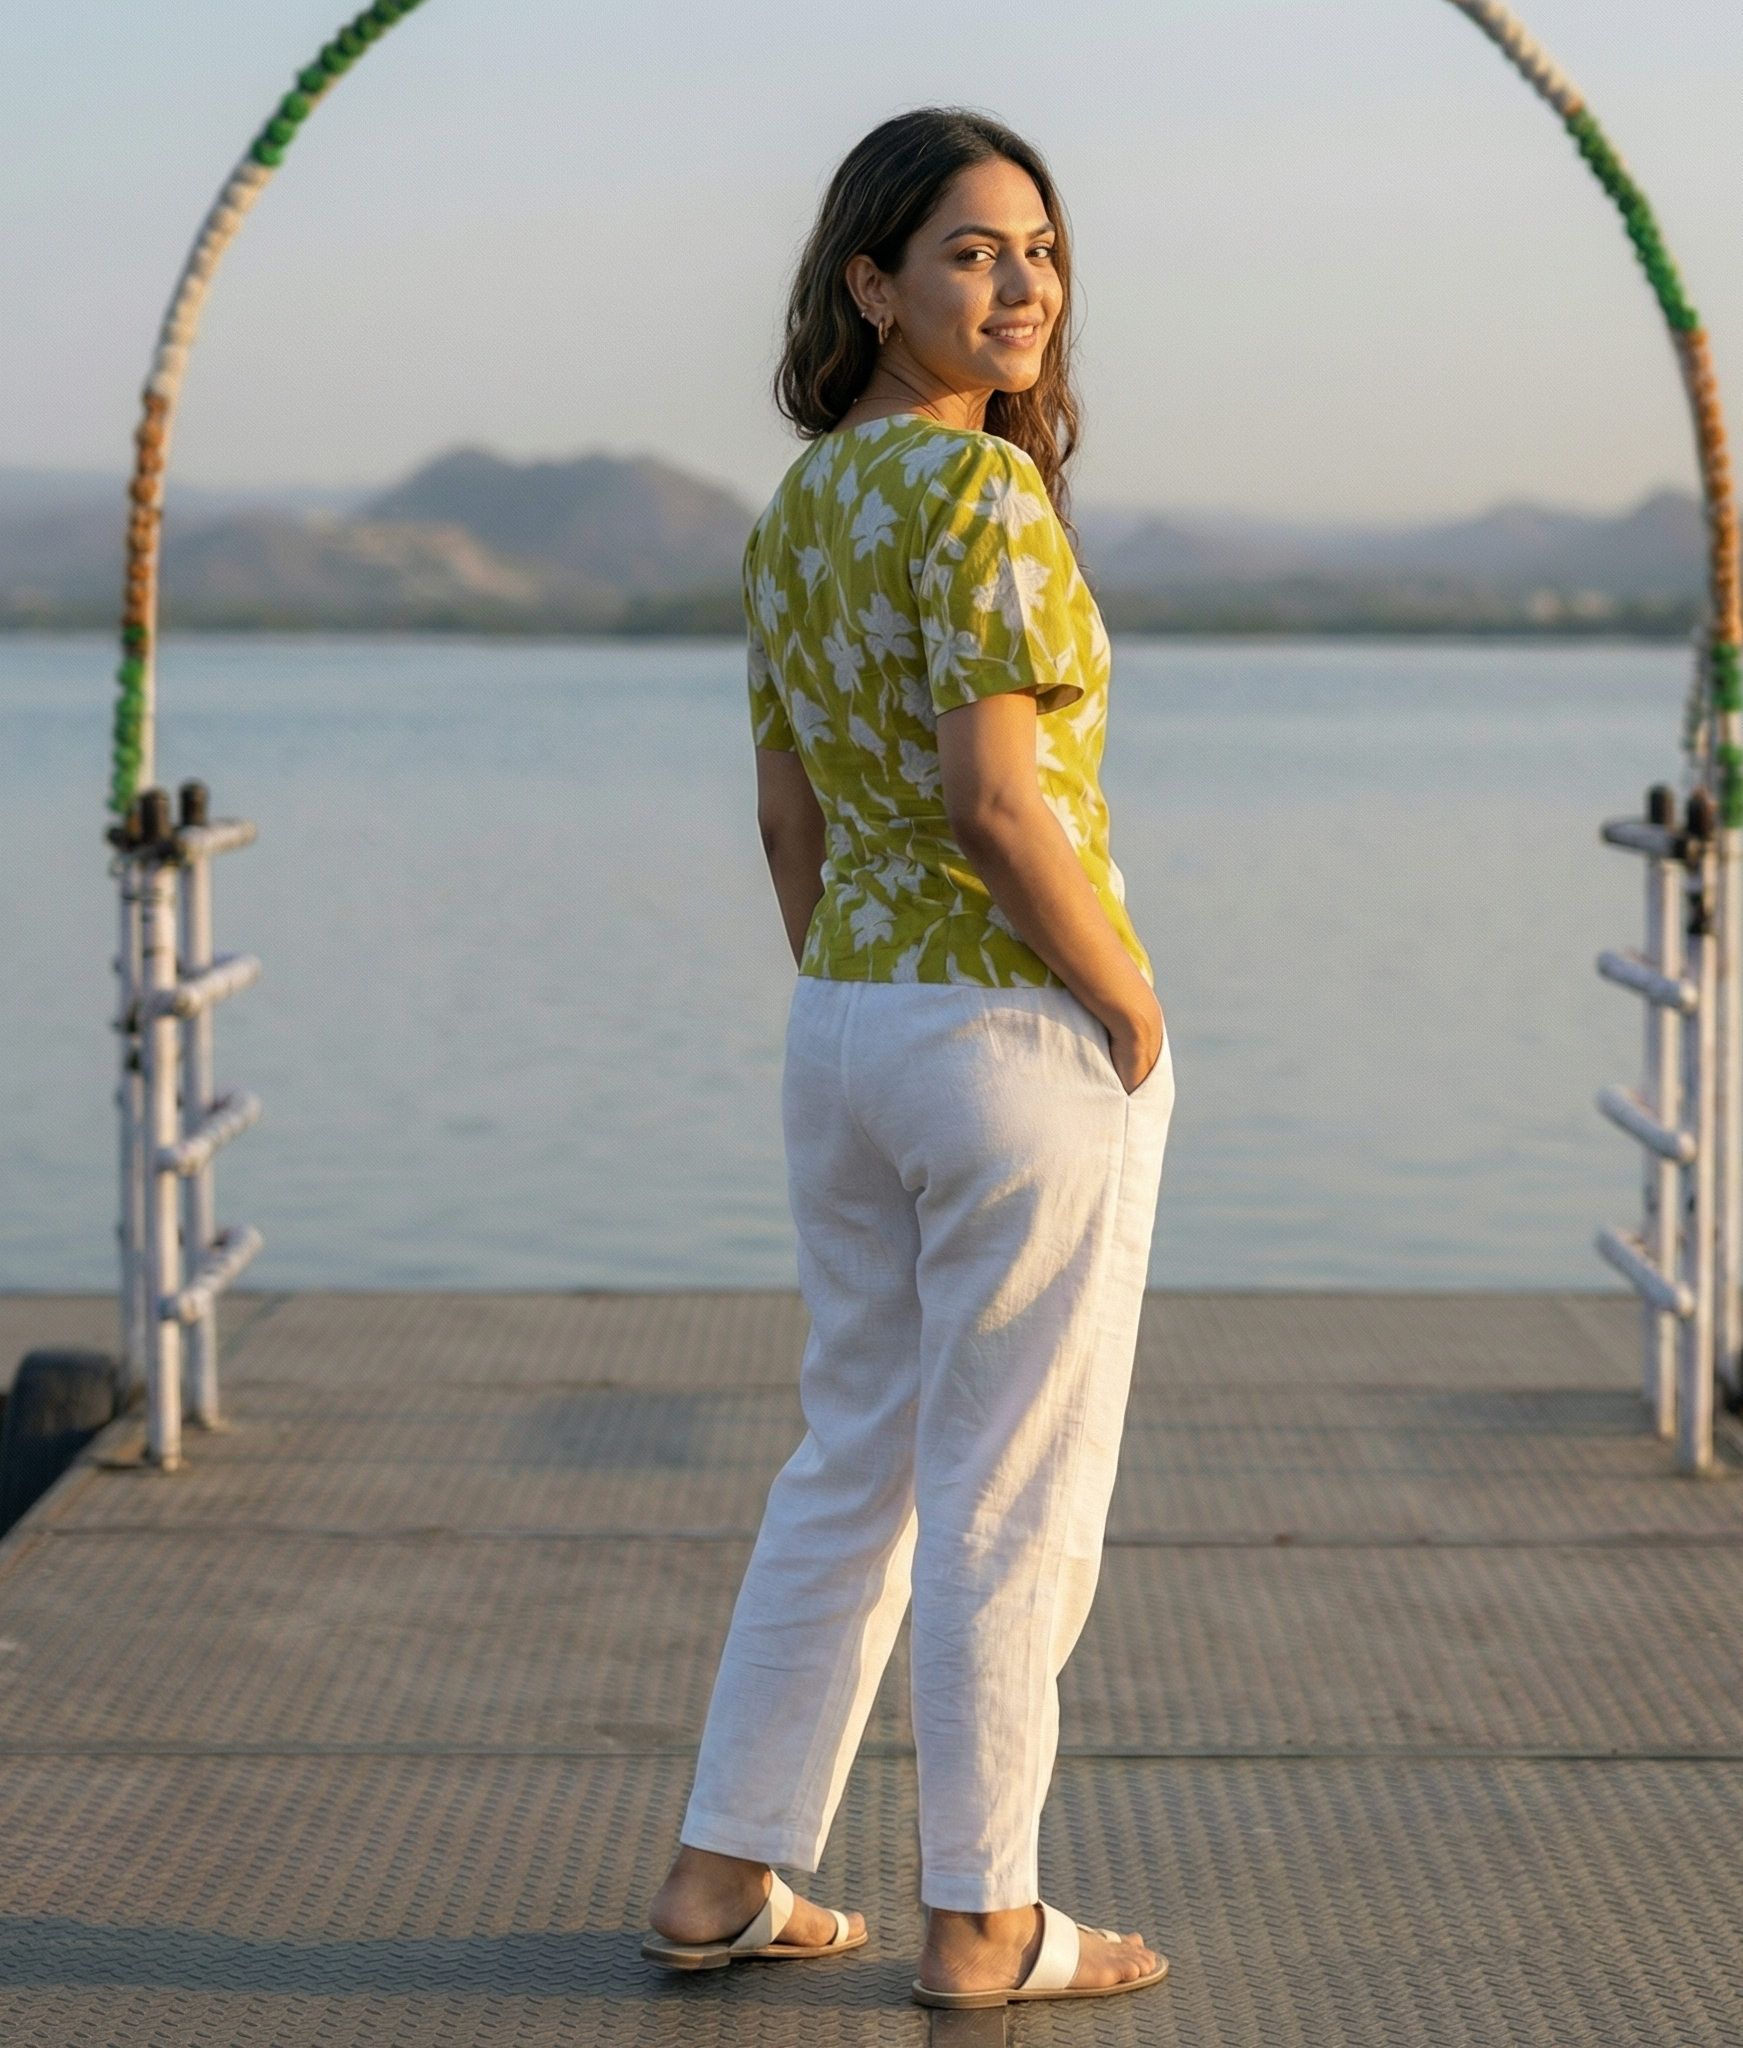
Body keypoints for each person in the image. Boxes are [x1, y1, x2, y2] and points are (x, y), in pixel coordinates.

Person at [642, 106, 1173, 2013]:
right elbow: (997, 803)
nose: (1023, 285)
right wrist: (1127, 1003)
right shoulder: (981, 497)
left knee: (853, 1458)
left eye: (1041, 249)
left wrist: (856, 998)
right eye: (971, 250)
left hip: (849, 1024)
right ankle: (983, 1918)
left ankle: (724, 1871)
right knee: (1012, 1485)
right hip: (1009, 1032)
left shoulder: (797, 511)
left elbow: (787, 815)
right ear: (871, 286)